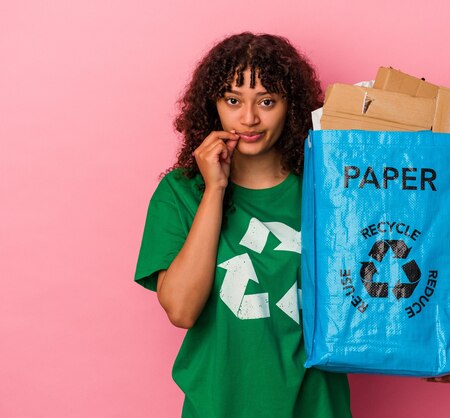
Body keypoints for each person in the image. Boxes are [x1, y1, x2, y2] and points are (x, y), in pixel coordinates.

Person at [134, 33, 352, 417]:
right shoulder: (181, 193)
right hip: (219, 406)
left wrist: (446, 332)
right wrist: (214, 189)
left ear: (292, 107)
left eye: (267, 101)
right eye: (233, 101)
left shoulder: (330, 189)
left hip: (316, 406)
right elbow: (182, 311)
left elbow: (379, 274)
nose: (249, 118)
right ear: (213, 105)